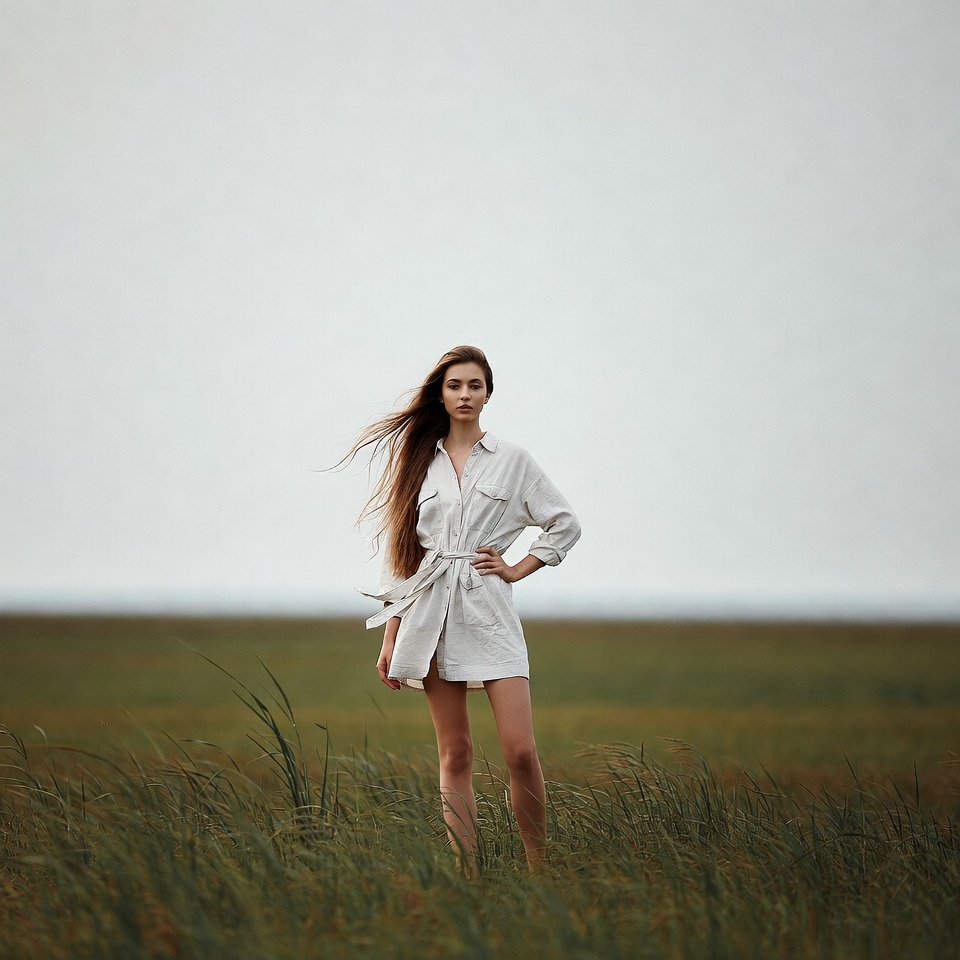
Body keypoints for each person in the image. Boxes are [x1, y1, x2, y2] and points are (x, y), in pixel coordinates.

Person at [345, 345, 580, 873]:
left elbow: (564, 523)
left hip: (490, 612)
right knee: (456, 753)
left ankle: (539, 867)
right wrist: (390, 636)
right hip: (430, 613)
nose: (465, 395)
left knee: (520, 751)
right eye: (455, 386)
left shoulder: (513, 460)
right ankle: (468, 874)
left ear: (488, 393)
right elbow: (402, 554)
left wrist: (518, 568)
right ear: (441, 393)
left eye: (474, 386)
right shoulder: (418, 462)